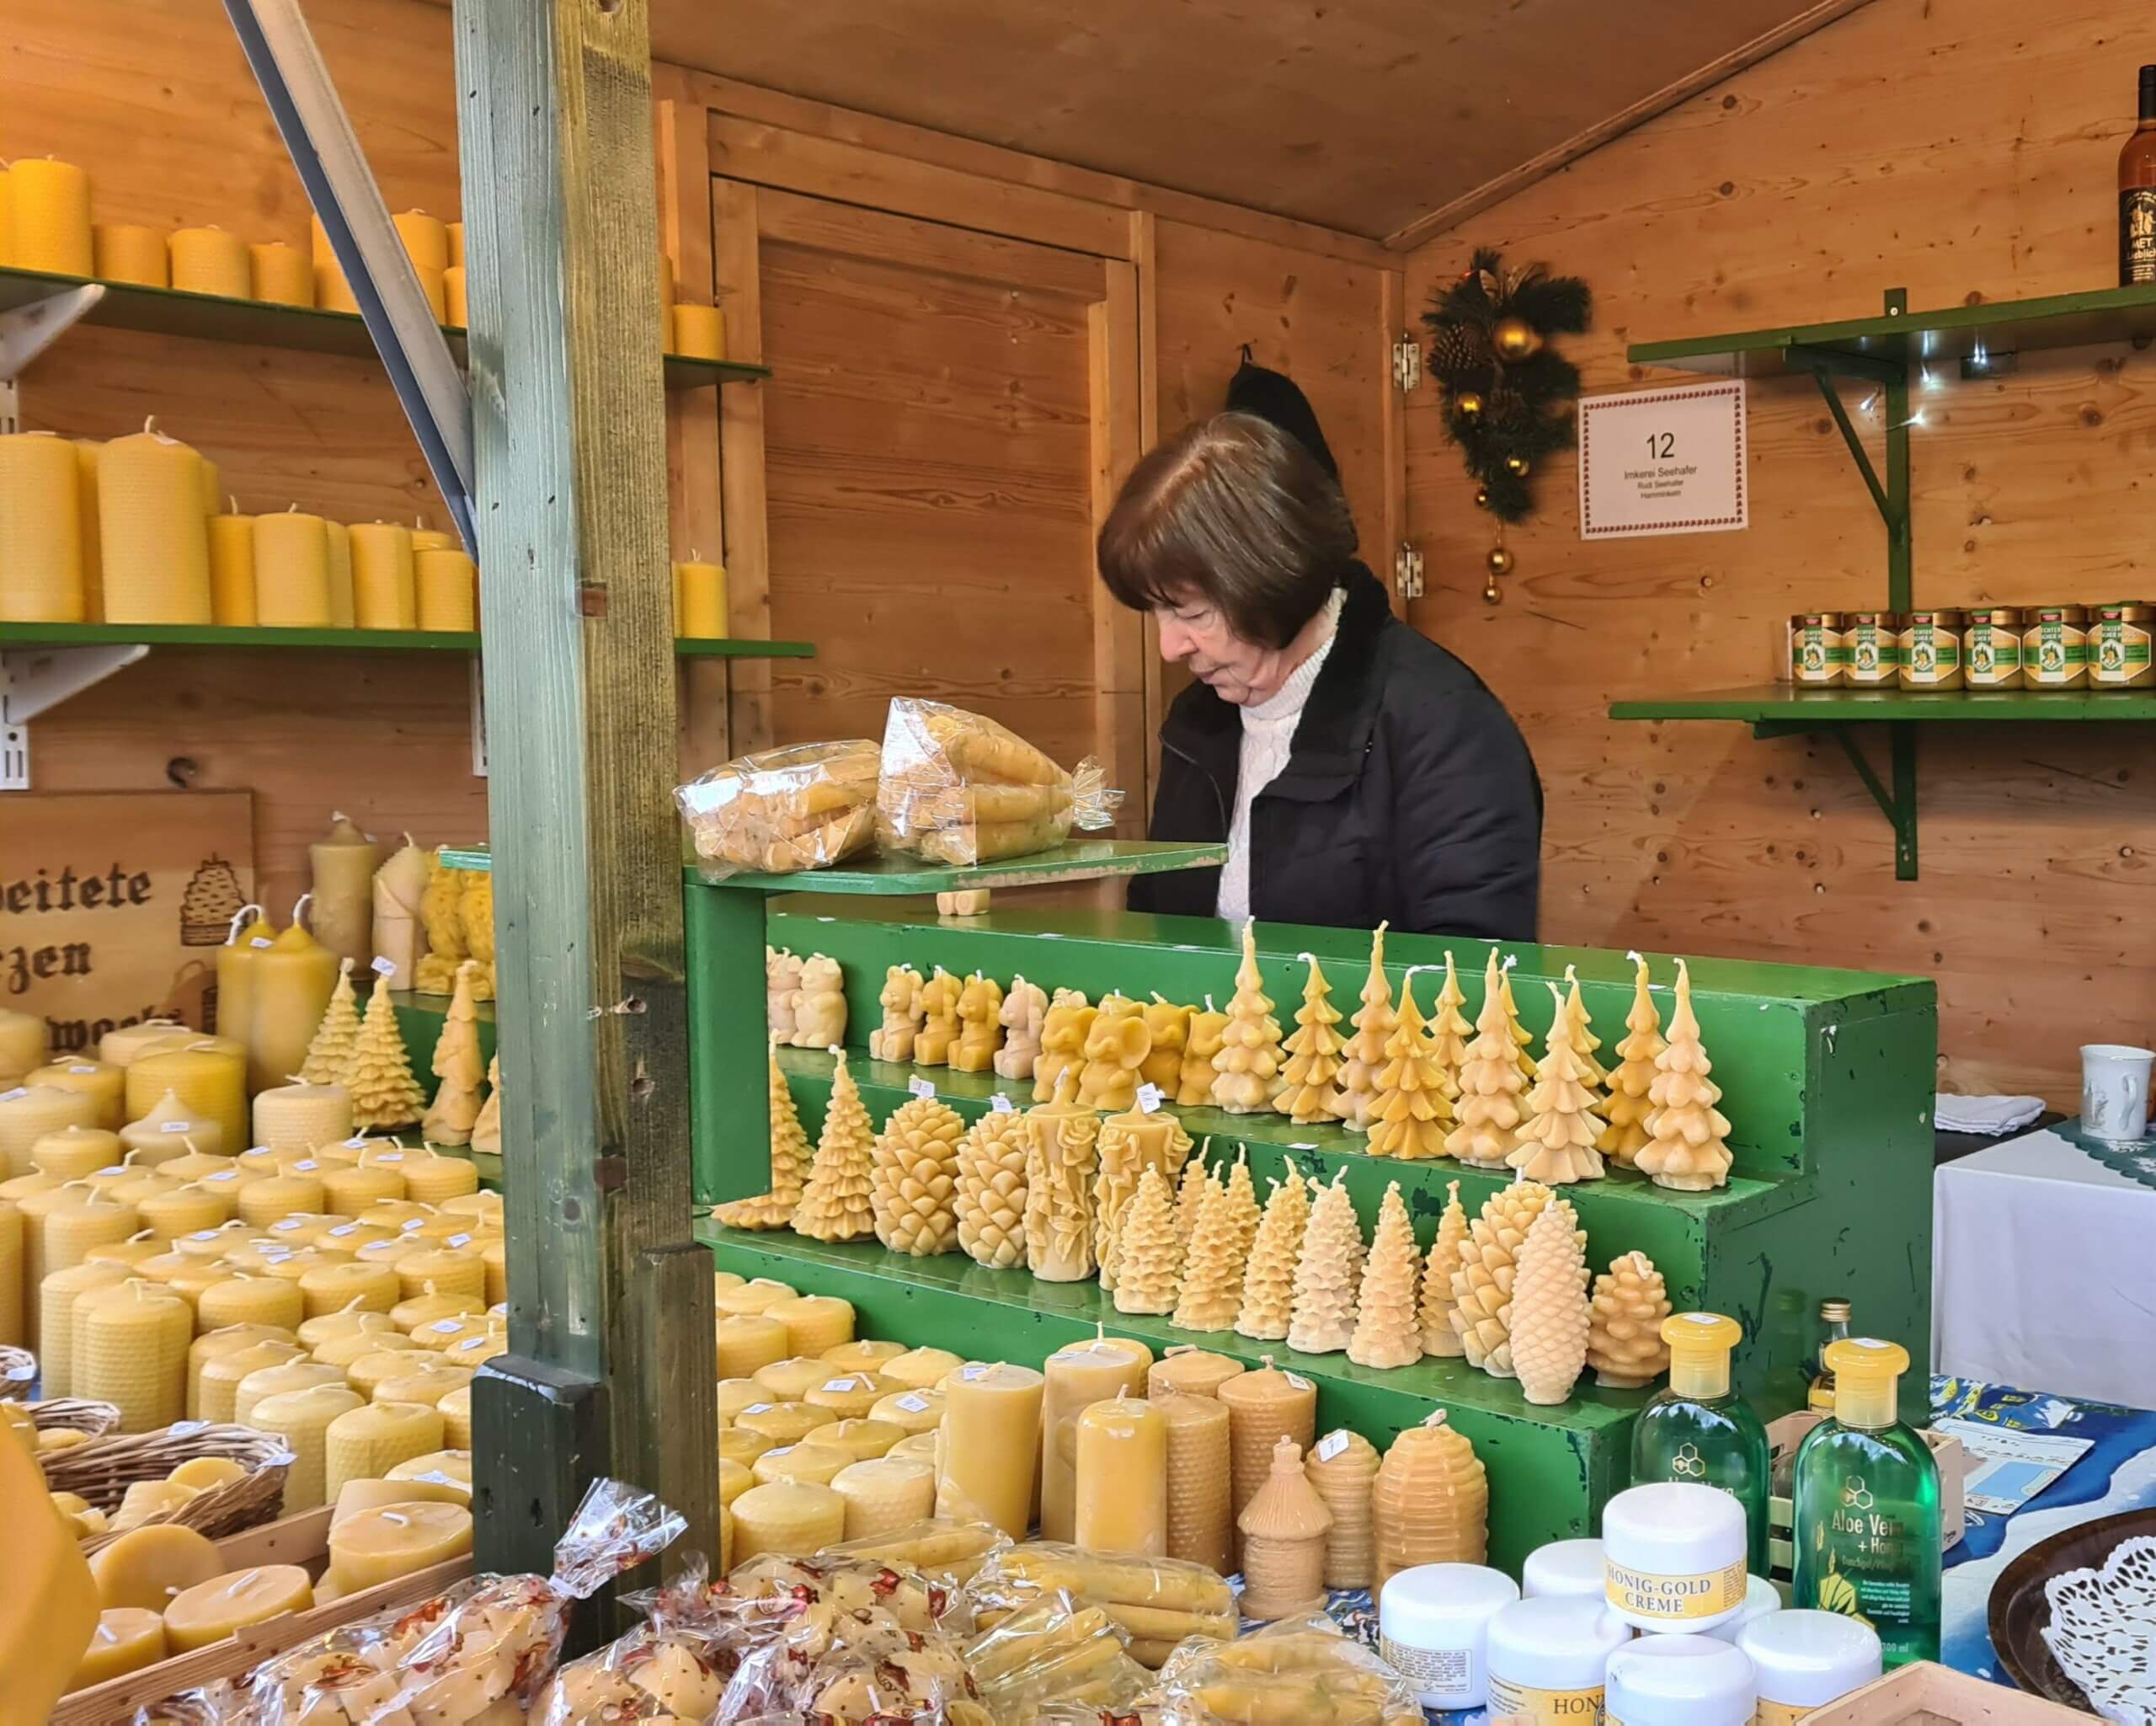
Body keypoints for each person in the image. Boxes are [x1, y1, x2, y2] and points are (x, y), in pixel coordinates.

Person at [1097, 409, 1542, 939]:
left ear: (1273, 582)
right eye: (1157, 613)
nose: (1169, 648)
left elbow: (1473, 962)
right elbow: (1156, 924)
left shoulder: (1448, 726)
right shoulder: (1196, 721)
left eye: (1192, 614)